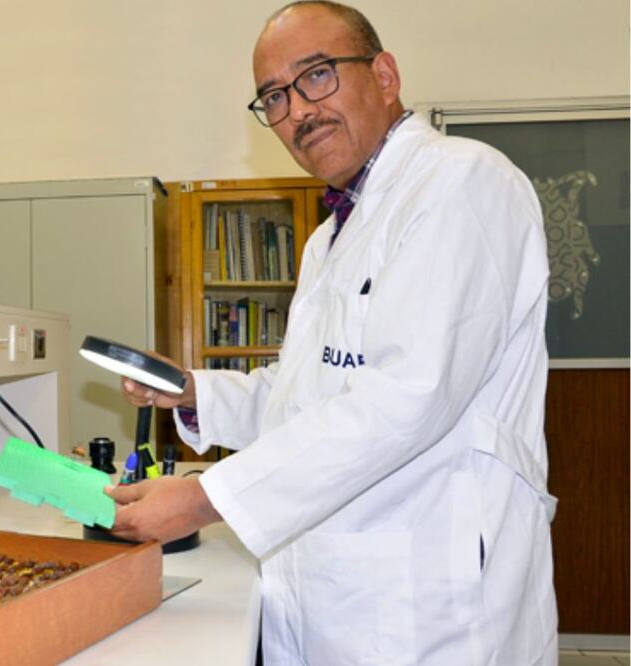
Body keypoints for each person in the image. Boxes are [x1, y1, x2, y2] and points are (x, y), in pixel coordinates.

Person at [105, 2, 558, 664]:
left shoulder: (461, 182)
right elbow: (307, 396)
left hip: (433, 604)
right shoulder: (330, 239)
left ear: (384, 75)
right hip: (339, 590)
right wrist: (193, 390)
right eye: (274, 96)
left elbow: (408, 396)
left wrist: (206, 498)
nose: (297, 111)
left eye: (316, 75)